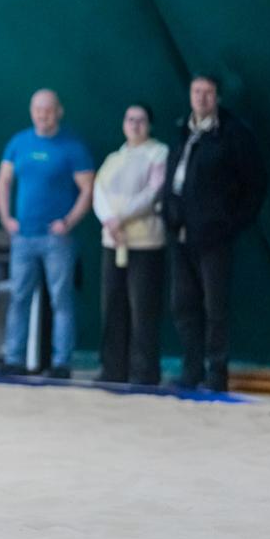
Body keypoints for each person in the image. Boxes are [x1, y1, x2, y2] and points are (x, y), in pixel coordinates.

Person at [160, 74, 266, 391]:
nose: (202, 97)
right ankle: (191, 371)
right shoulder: (183, 131)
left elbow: (255, 185)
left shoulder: (233, 134)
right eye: (197, 91)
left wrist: (229, 224)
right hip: (180, 235)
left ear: (217, 97)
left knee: (215, 307)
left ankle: (217, 373)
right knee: (182, 305)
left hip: (214, 237)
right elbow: (174, 179)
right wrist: (169, 214)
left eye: (208, 92)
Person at [0, 89, 94, 378]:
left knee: (60, 300)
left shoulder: (73, 146)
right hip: (23, 236)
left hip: (56, 239)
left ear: (59, 111)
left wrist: (69, 222)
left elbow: (88, 188)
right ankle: (14, 359)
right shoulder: (19, 142)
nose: (43, 115)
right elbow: (3, 180)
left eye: (48, 110)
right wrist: (6, 218)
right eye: (38, 109)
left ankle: (62, 363)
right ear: (31, 111)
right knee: (19, 298)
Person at [92, 104, 168, 385]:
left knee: (142, 309)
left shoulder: (158, 153)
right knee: (113, 305)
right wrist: (109, 220)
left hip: (145, 244)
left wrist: (120, 217)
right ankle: (113, 369)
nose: (135, 125)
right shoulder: (114, 158)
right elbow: (98, 192)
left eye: (141, 120)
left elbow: (152, 192)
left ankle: (144, 372)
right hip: (113, 243)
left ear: (150, 124)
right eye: (130, 119)